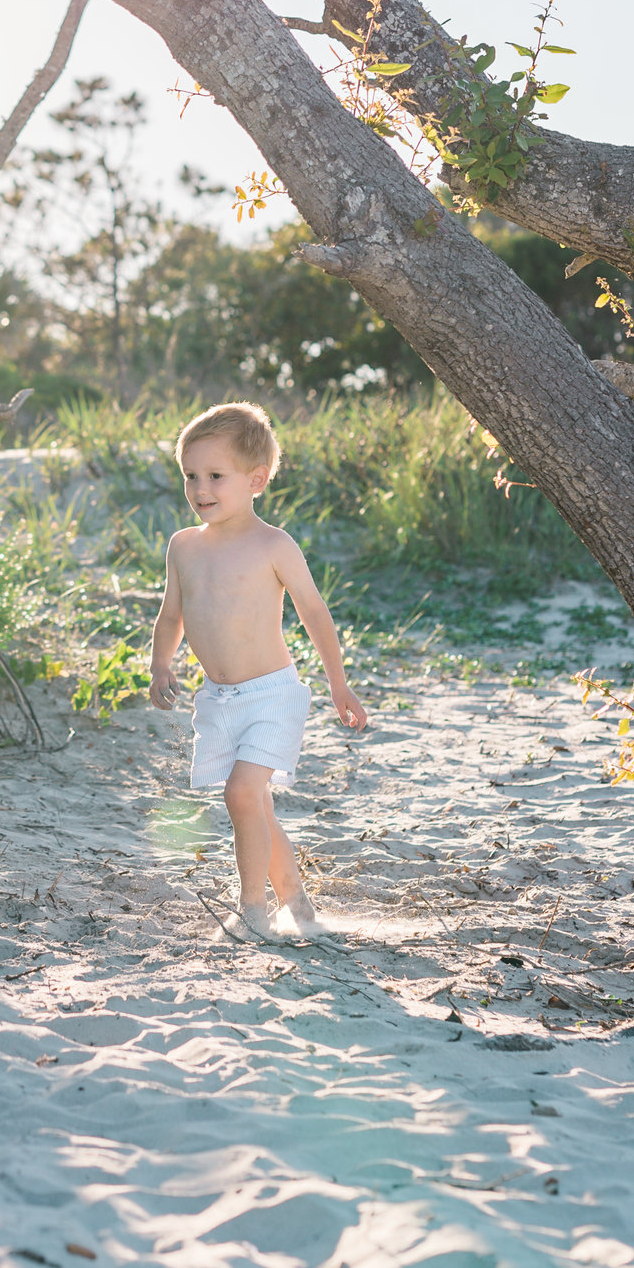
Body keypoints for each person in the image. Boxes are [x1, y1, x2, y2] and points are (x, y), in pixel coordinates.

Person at [149, 402, 368, 940]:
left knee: (242, 795)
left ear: (256, 479)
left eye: (215, 476)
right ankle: (298, 904)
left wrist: (339, 684)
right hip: (219, 700)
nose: (200, 488)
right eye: (190, 476)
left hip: (272, 695)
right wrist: (160, 663)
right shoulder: (184, 546)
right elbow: (171, 613)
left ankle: (251, 910)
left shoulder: (274, 544)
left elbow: (315, 613)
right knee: (258, 809)